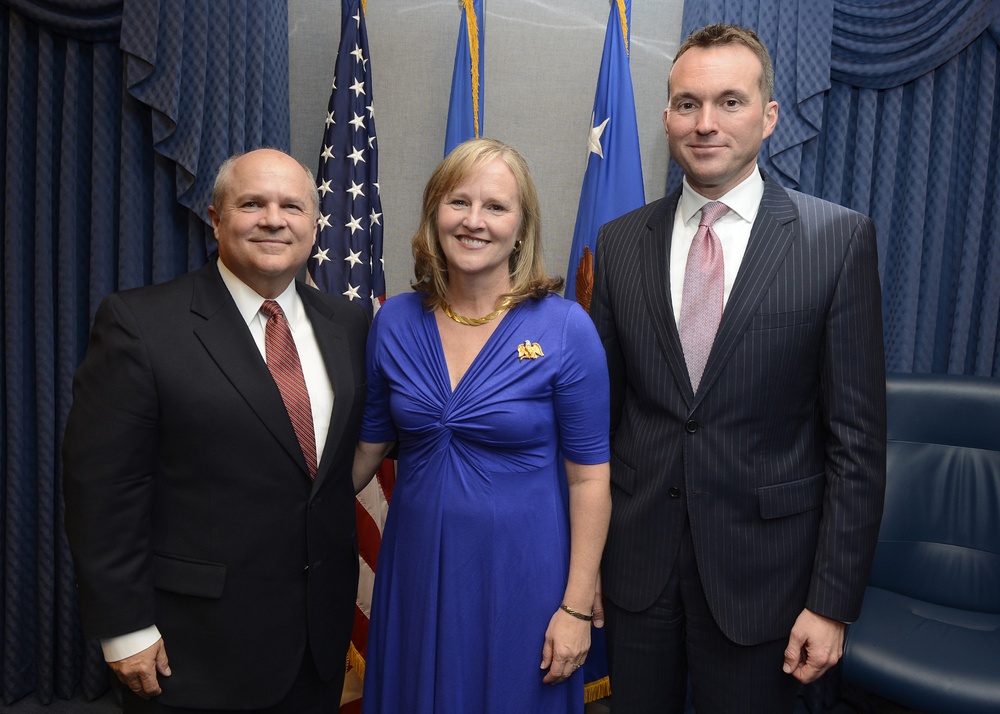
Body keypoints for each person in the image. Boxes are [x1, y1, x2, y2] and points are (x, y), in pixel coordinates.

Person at [589, 23, 887, 713]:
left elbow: (857, 444)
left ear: (769, 116)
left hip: (767, 581)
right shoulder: (621, 242)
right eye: (687, 103)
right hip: (637, 569)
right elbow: (599, 425)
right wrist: (586, 568)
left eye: (729, 101)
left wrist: (832, 603)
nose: (705, 123)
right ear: (665, 116)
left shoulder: (836, 241)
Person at [62, 148, 370, 713]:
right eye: (252, 203)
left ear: (314, 223)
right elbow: (102, 489)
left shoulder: (347, 324)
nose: (273, 219)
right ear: (216, 219)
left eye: (291, 206)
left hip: (317, 642)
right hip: (194, 649)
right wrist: (124, 628)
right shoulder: (141, 324)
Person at [352, 138, 611, 714]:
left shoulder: (566, 329)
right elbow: (367, 449)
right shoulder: (393, 319)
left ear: (521, 228)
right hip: (416, 569)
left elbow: (590, 480)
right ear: (434, 215)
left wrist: (574, 608)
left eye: (495, 207)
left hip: (523, 576)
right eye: (457, 202)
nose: (474, 221)